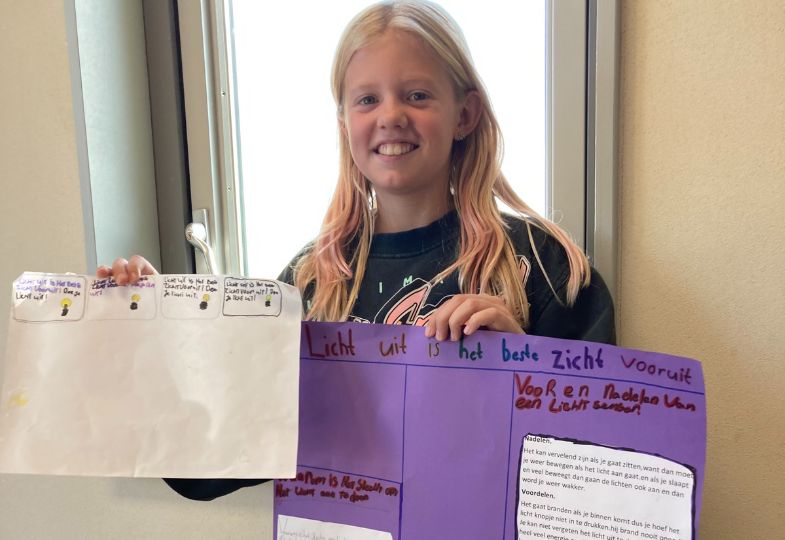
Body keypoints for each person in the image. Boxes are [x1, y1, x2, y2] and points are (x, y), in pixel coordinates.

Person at [98, 0, 614, 501]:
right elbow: (205, 468)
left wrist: (523, 365)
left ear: (465, 114)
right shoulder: (308, 284)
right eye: (367, 100)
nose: (391, 116)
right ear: (344, 122)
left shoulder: (547, 269)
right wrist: (150, 336)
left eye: (416, 95)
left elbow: (608, 473)